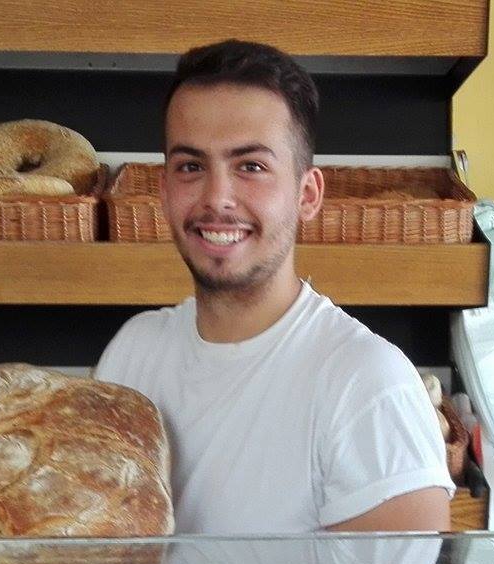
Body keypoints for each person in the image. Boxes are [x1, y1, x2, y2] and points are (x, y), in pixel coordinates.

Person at [94, 39, 454, 535]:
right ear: (164, 190)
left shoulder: (368, 383)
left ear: (307, 195)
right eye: (191, 166)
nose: (217, 198)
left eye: (251, 167)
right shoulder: (133, 353)